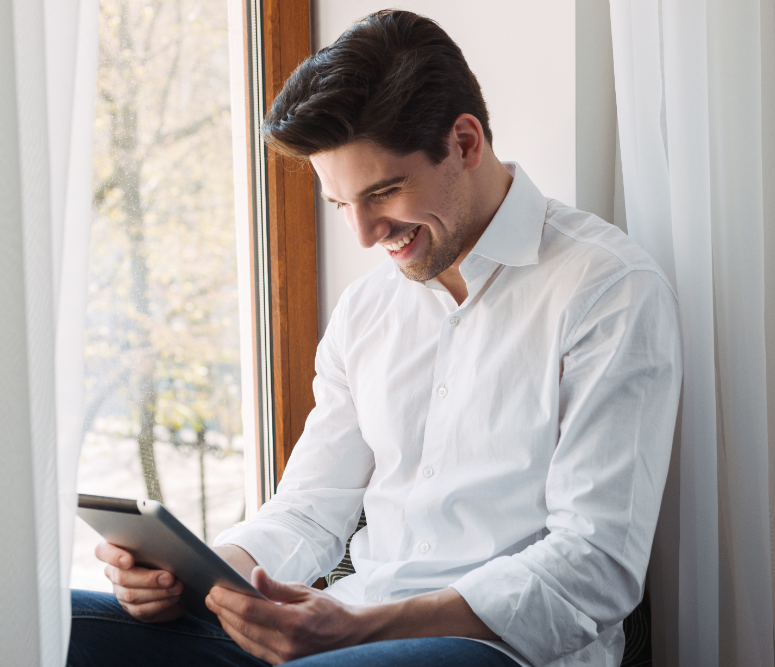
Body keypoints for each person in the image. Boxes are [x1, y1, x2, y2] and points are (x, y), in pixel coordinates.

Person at [68, 9, 681, 667]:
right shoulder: (367, 310)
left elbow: (594, 565)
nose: (364, 235)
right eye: (343, 205)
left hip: (495, 651)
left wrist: (363, 626)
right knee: (63, 625)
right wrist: (204, 577)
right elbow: (308, 511)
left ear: (466, 142)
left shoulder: (607, 288)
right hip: (345, 636)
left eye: (383, 192)